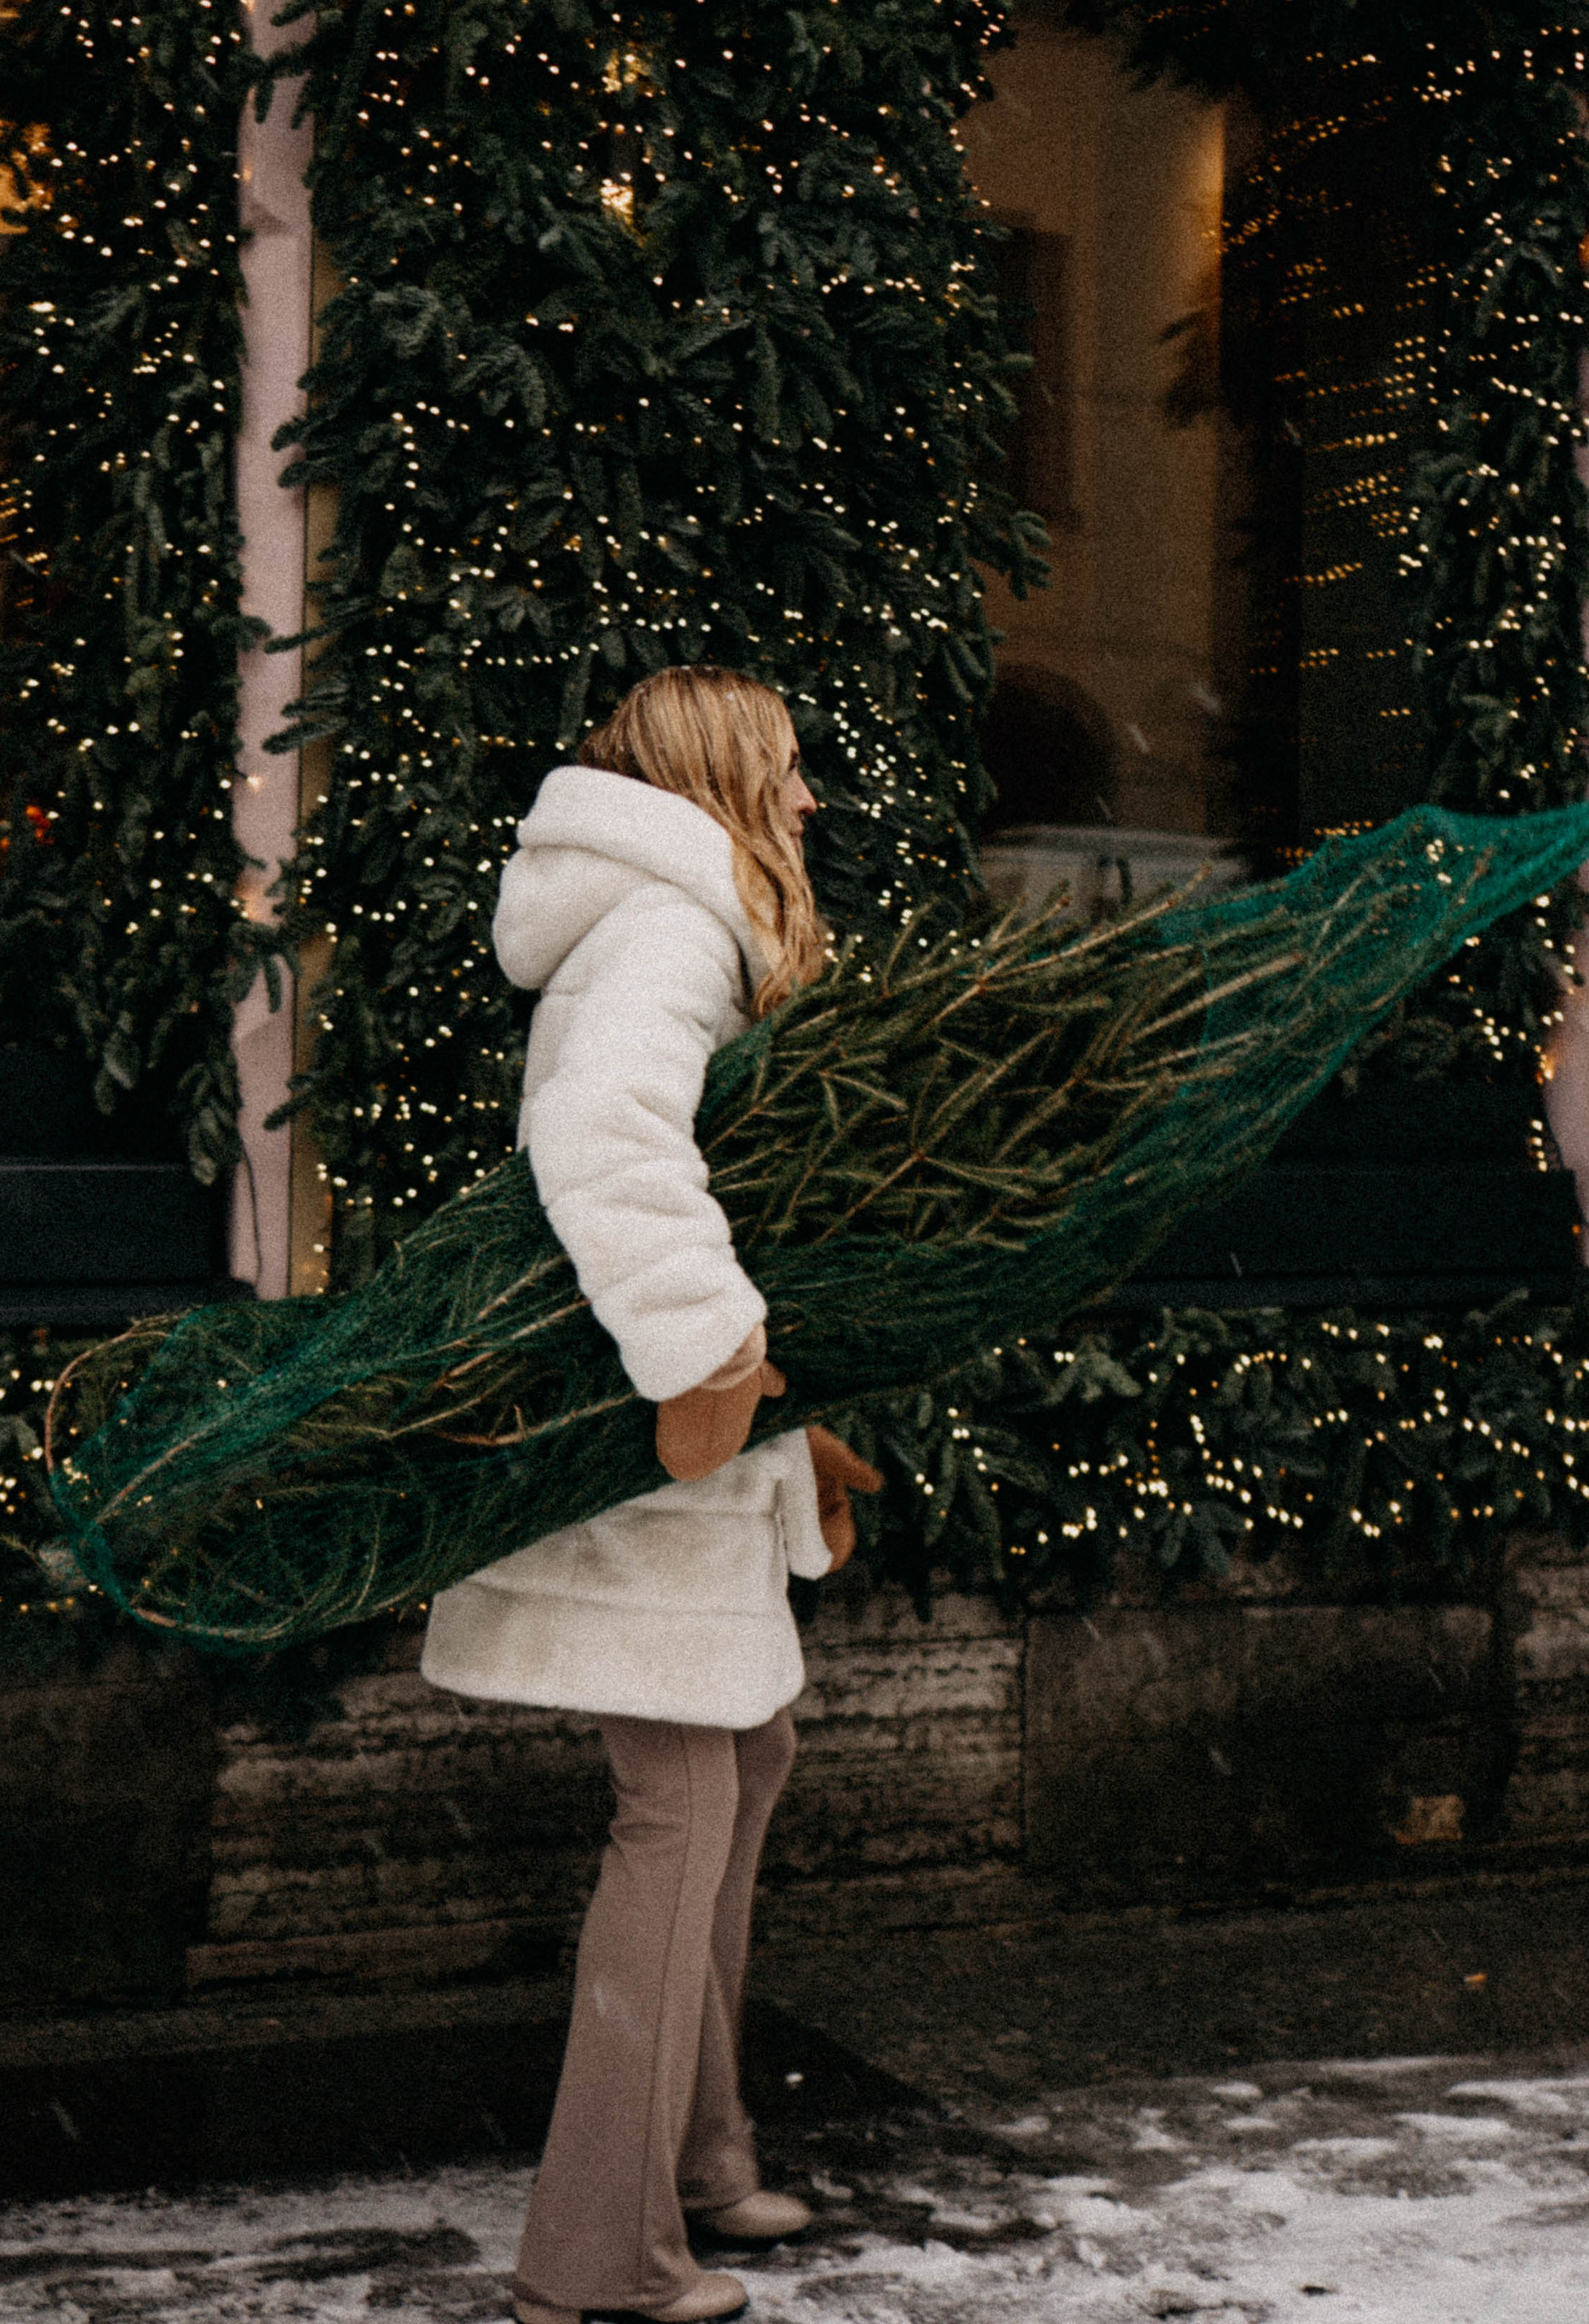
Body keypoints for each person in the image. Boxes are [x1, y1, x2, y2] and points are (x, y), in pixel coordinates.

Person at [420, 665, 882, 2324]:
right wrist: (710, 1357)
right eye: (789, 764)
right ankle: (594, 2260)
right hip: (650, 1444)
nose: (811, 798)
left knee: (738, 1764)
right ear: (718, 775)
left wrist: (779, 1420)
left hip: (689, 1447)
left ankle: (698, 2160)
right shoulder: (672, 929)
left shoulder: (661, 921)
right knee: (679, 1806)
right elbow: (603, 1140)